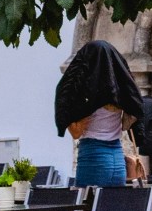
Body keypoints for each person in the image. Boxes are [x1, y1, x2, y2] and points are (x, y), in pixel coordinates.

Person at [55, 41, 144, 188]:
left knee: (88, 207)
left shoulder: (86, 98)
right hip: (117, 158)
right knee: (111, 208)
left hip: (94, 157)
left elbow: (76, 133)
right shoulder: (121, 93)